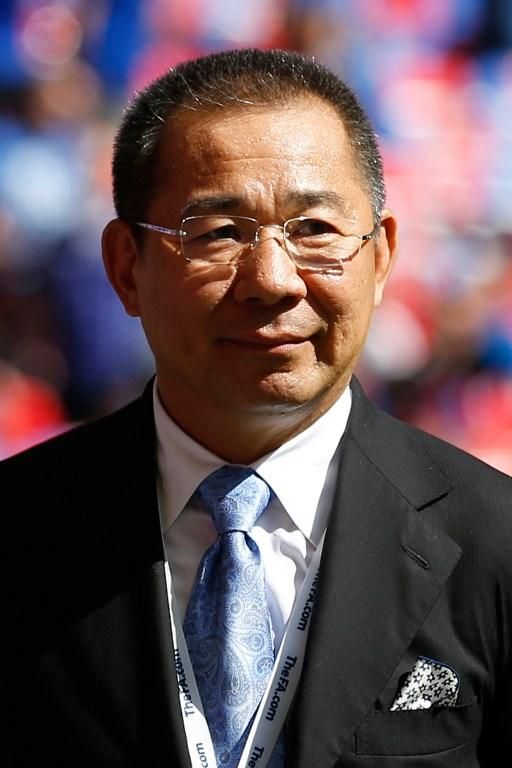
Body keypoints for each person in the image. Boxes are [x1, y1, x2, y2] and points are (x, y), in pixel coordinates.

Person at [3, 48, 511, 768]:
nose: (272, 280)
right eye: (218, 233)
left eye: (315, 230)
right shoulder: (22, 529)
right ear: (126, 268)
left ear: (380, 258)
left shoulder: (493, 543)